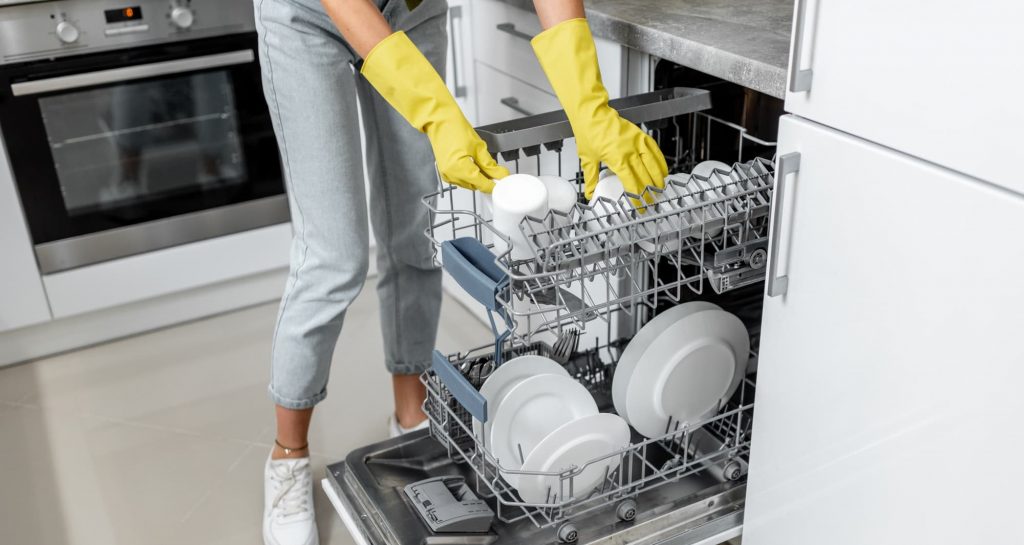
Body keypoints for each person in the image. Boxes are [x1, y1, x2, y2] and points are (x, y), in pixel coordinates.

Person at [254, 0, 668, 543]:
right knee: (333, 261)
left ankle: (409, 418)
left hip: (410, 8)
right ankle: (288, 457)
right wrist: (438, 116)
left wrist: (589, 106)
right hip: (308, 13)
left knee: (414, 231)